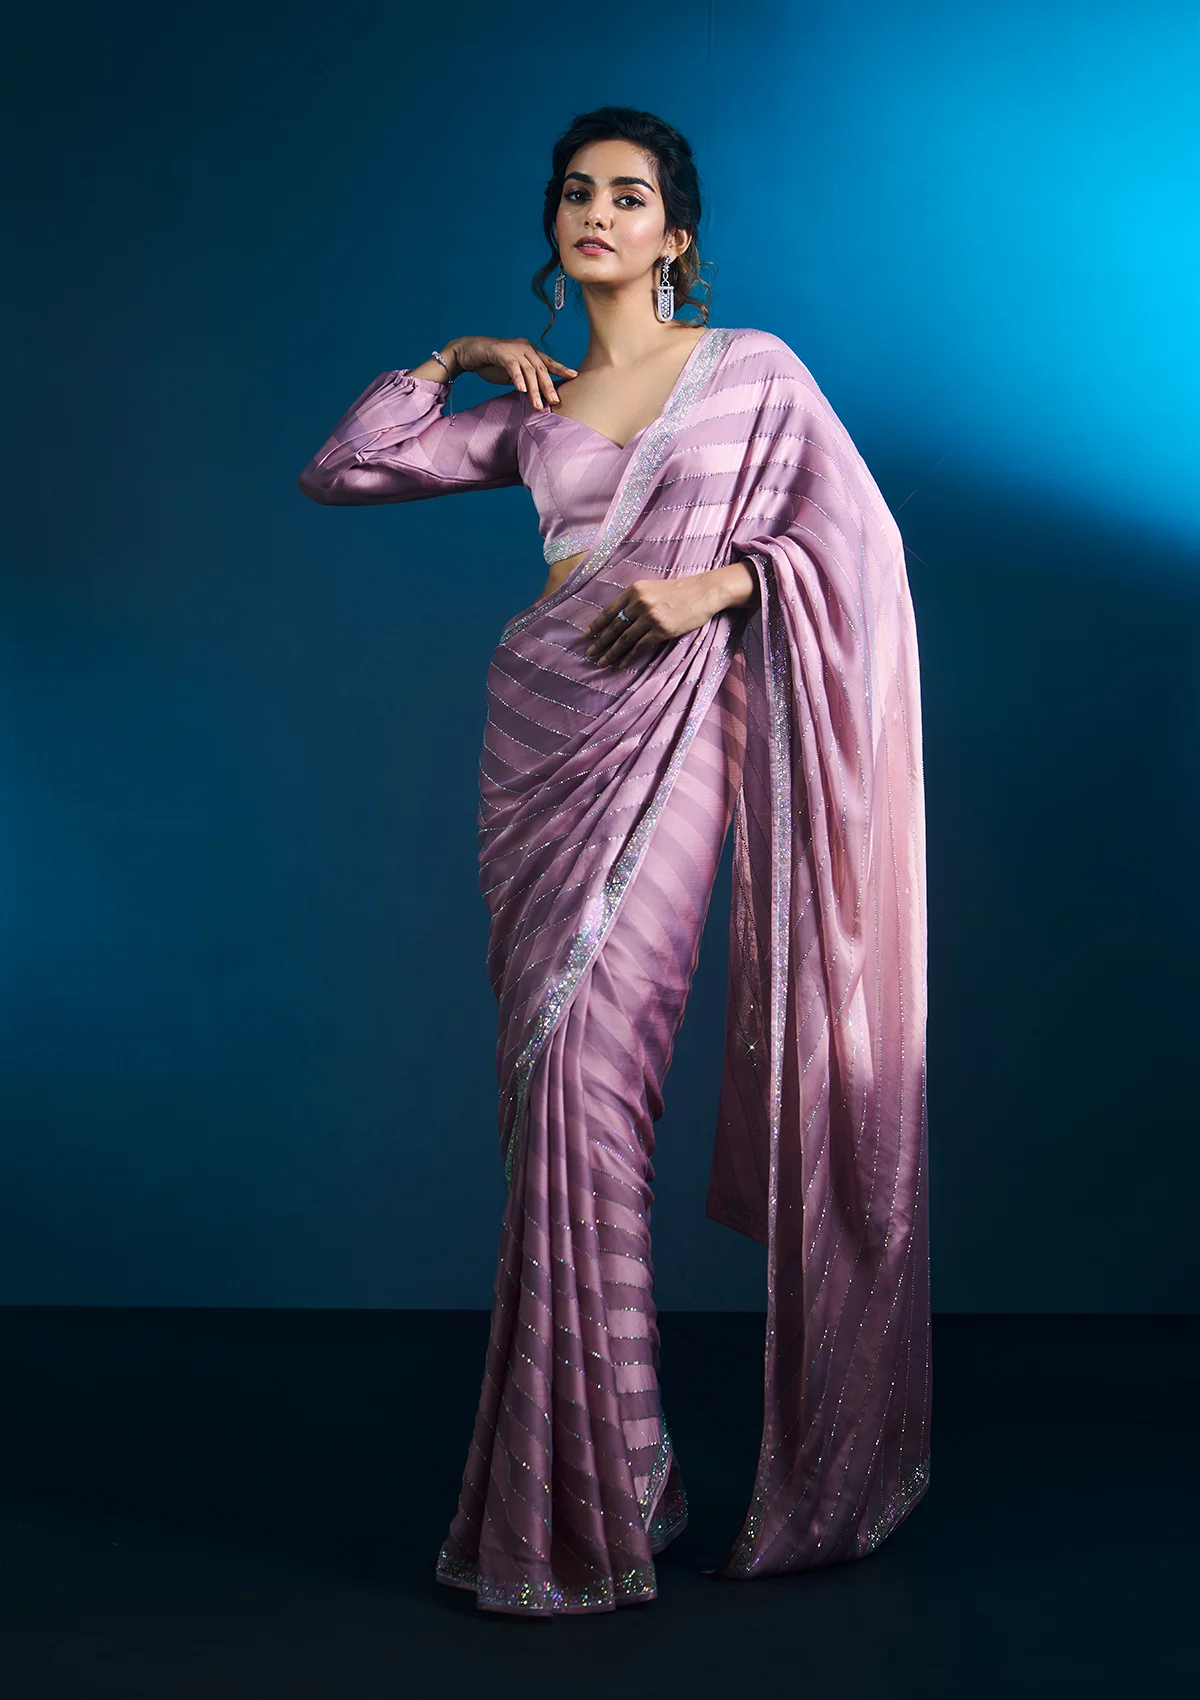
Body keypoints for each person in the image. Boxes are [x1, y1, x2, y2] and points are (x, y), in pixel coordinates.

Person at [298, 105, 931, 1618]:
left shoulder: (751, 372)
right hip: (541, 734)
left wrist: (719, 585)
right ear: (555, 226)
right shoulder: (536, 412)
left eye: (629, 196)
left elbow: (859, 547)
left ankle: (595, 1478)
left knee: (596, 1076)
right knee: (546, 1099)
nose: (597, 212)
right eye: (576, 192)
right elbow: (342, 470)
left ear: (675, 236)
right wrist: (452, 358)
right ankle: (615, 1471)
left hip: (673, 734)